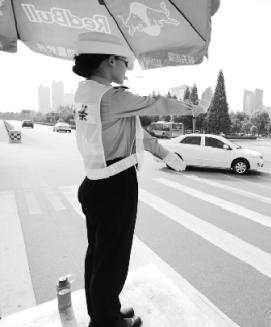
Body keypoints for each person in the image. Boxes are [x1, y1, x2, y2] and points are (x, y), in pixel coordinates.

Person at [72, 32, 206, 327]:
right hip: (115, 184)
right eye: (125, 62)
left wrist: (165, 154)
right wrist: (192, 109)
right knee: (112, 259)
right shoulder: (112, 96)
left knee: (98, 255)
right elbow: (155, 104)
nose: (127, 68)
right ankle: (108, 323)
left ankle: (103, 311)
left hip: (94, 183)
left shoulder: (87, 93)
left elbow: (136, 133)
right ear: (109, 62)